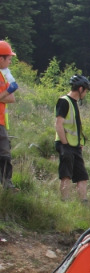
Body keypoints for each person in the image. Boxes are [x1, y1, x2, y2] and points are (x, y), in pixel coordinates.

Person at [55, 75, 90, 202]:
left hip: (75, 146)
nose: (86, 93)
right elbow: (58, 124)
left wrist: (79, 143)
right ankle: (65, 202)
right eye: (86, 90)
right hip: (66, 145)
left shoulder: (74, 103)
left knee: (82, 176)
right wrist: (65, 144)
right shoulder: (64, 101)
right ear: (80, 89)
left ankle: (84, 202)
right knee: (66, 175)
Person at [0, 41, 19, 190]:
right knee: (4, 152)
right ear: (1, 58)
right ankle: (7, 185)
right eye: (9, 59)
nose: (10, 62)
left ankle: (7, 185)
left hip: (1, 122)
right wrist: (7, 91)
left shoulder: (3, 76)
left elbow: (11, 99)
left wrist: (6, 93)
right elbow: (8, 95)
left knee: (5, 153)